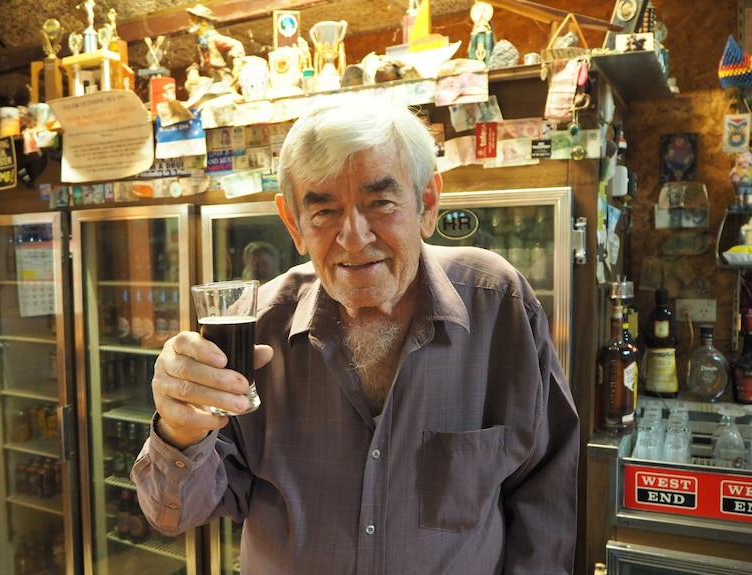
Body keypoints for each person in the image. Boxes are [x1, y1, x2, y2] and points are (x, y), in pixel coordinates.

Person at [131, 93, 580, 574]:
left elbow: (546, 495)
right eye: (324, 212)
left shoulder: (498, 305)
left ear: (426, 203)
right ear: (293, 223)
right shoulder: (257, 327)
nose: (354, 238)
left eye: (380, 203)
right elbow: (173, 514)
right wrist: (179, 432)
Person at [185, 3, 245, 89]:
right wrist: (193, 71)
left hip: (224, 77)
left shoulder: (215, 39)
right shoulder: (200, 43)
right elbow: (196, 62)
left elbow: (236, 44)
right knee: (190, 85)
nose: (190, 21)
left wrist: (237, 62)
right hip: (211, 78)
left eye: (193, 19)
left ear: (203, 22)